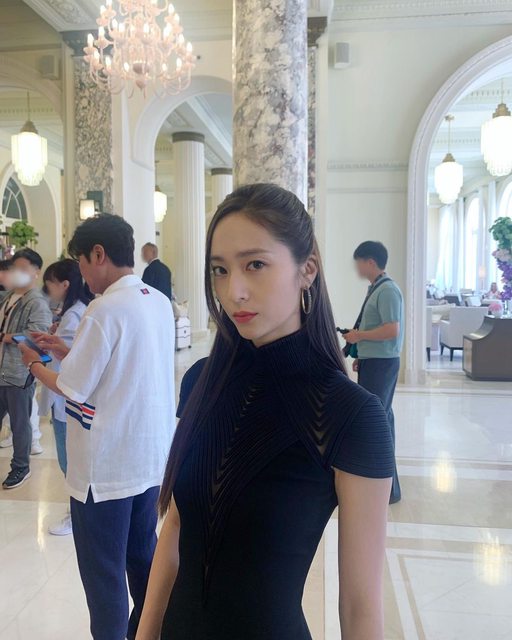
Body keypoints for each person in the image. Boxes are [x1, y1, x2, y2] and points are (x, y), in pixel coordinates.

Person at [136, 184, 394, 640]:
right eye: (220, 270)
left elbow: (360, 607)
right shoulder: (202, 382)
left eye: (255, 264)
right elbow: (175, 525)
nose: (233, 291)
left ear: (307, 270)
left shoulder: (351, 415)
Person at [20, 214, 175, 640]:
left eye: (82, 263)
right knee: (142, 557)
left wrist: (34, 363)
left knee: (103, 575)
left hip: (104, 470)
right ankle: (149, 632)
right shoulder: (157, 301)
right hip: (148, 461)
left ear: (99, 254)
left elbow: (73, 388)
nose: (82, 274)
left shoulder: (104, 308)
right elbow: (118, 366)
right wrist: (64, 348)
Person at [342, 241, 403, 504]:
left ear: (370, 262)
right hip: (373, 361)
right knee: (381, 418)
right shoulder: (377, 288)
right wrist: (362, 353)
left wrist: (359, 337)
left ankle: (387, 488)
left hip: (382, 364)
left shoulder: (387, 290)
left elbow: (392, 330)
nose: (356, 268)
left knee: (376, 420)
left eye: (358, 262)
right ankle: (387, 487)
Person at [39, 259, 94, 536]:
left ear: (64, 284)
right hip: (68, 397)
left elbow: (72, 359)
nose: (48, 289)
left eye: (50, 284)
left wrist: (36, 360)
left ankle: (76, 515)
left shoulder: (76, 314)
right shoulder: (76, 311)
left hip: (66, 396)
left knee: (68, 462)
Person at [0, 249, 52, 489]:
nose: (17, 273)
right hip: (2, 369)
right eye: (15, 268)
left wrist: (5, 337)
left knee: (20, 424)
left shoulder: (36, 302)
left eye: (23, 268)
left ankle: (21, 467)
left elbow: (35, 338)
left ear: (36, 272)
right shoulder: (9, 297)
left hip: (18, 373)